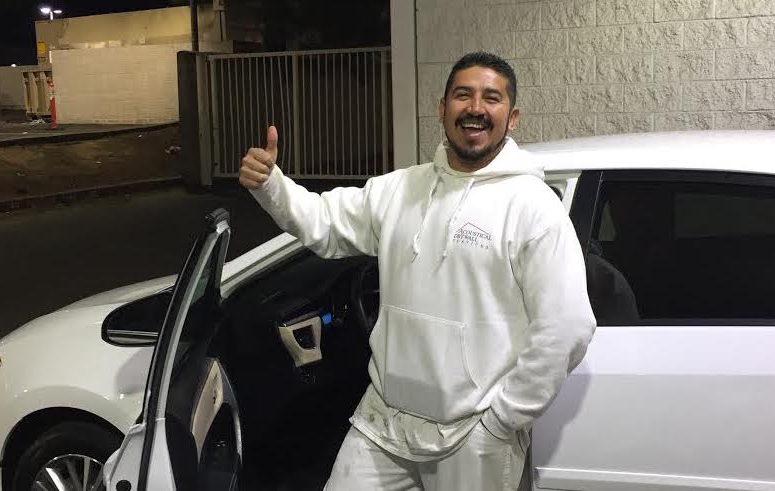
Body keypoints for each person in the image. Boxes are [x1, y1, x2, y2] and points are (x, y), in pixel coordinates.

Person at [239, 52, 596, 491]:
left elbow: (567, 326)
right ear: (442, 107)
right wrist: (272, 185)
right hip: (384, 422)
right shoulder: (399, 189)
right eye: (463, 95)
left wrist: (504, 420)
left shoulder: (533, 207)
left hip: (473, 435)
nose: (476, 108)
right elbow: (323, 223)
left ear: (513, 116)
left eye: (492, 98)